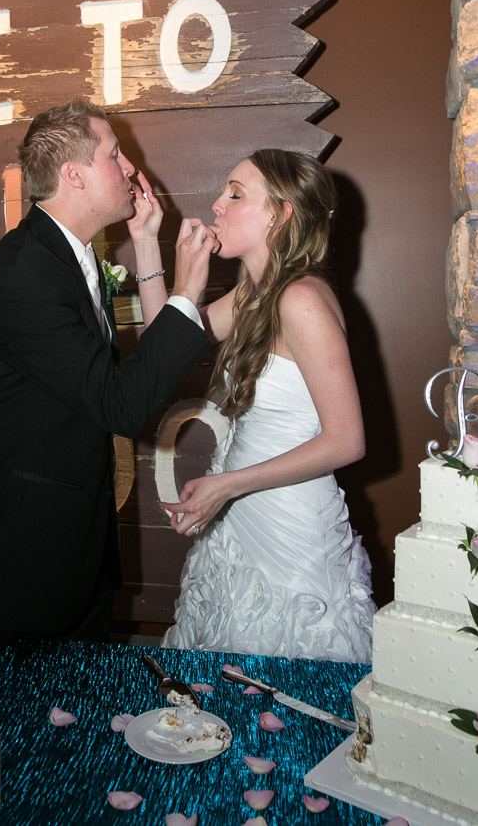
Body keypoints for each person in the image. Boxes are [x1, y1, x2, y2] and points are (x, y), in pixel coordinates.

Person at [0, 98, 217, 710]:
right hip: (5, 558)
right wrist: (188, 294)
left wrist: (145, 244)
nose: (131, 168)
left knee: (59, 744)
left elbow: (114, 384)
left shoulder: (71, 257)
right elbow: (120, 404)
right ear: (75, 174)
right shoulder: (22, 275)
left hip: (69, 552)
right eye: (115, 154)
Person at [130, 148, 375, 662]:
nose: (217, 205)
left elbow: (347, 440)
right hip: (240, 520)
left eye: (236, 194)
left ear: (281, 213)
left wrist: (228, 485)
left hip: (288, 529)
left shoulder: (300, 299)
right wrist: (147, 243)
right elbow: (162, 348)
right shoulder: (254, 296)